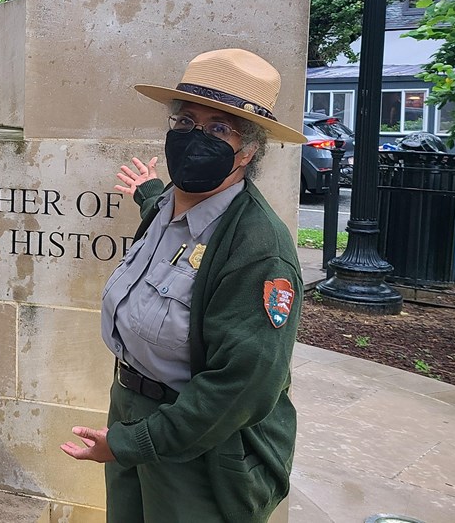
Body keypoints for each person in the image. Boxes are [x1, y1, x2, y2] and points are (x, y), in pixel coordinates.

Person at [60, 49, 308, 522]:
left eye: (219, 128)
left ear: (250, 149)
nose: (196, 139)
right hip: (131, 412)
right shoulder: (167, 207)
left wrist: (135, 442)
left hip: (203, 450)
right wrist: (147, 189)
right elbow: (174, 225)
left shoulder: (258, 249)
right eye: (186, 121)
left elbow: (242, 386)